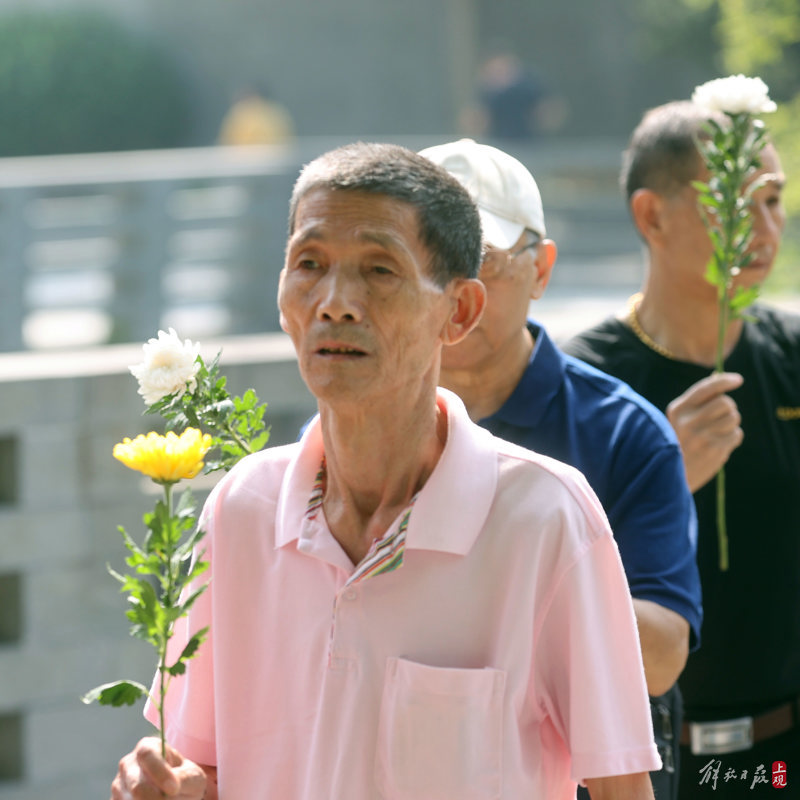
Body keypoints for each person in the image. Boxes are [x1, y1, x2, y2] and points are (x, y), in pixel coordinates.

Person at [110, 142, 661, 799]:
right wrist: (164, 786)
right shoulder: (240, 509)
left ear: (458, 312)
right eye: (309, 264)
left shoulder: (546, 518)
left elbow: (621, 788)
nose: (335, 302)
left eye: (380, 270)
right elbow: (205, 768)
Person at [421, 138, 702, 800]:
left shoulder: (624, 433)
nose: (457, 289)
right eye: (428, 260)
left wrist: (513, 572)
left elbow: (662, 655)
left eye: (481, 260)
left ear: (541, 268)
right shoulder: (364, 426)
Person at [562, 100, 796, 797]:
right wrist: (660, 479)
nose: (764, 228)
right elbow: (536, 576)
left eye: (776, 201)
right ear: (652, 216)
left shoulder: (788, 358)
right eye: (735, 203)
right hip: (639, 759)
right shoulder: (585, 385)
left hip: (774, 756)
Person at [217, 84, 294, 147]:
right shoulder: (278, 113)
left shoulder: (239, 114)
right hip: (271, 161)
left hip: (246, 162)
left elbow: (227, 142)